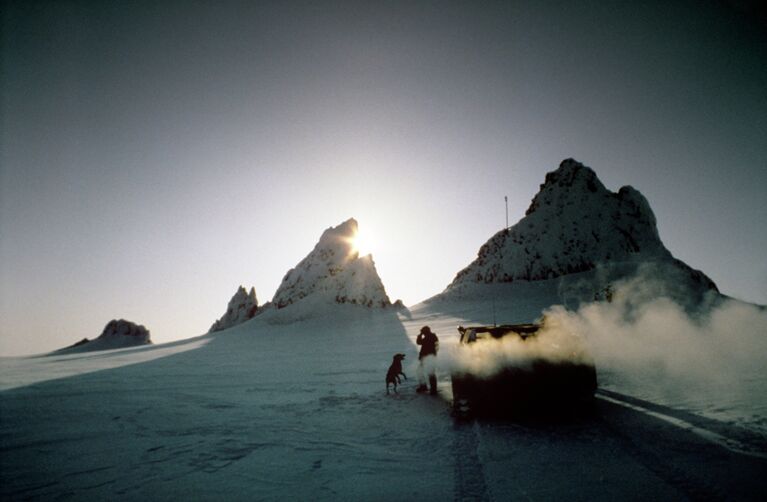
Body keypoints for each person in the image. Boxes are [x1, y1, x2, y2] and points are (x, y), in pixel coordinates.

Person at [416, 325, 439, 394]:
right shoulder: (432, 336)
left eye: (423, 332)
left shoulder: (429, 337)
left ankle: (427, 388)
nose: (422, 333)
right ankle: (430, 388)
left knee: (428, 373)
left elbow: (419, 342)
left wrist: (419, 335)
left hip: (428, 358)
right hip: (429, 357)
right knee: (426, 372)